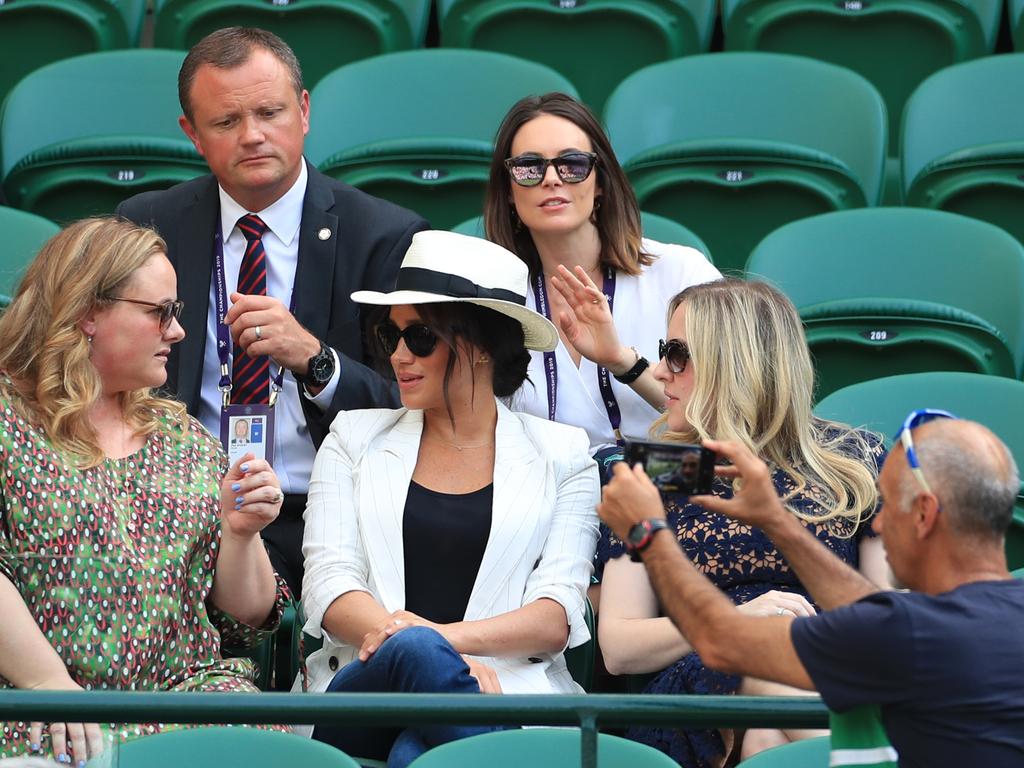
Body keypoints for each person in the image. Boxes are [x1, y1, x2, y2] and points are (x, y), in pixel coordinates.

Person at [117, 27, 430, 597]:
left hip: (331, 507)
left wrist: (316, 359)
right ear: (192, 134)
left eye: (269, 112)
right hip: (182, 506)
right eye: (226, 122)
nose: (253, 136)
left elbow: (415, 405)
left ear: (304, 111)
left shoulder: (383, 235)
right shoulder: (149, 223)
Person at [300, 230, 599, 767]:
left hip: (505, 690)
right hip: (362, 694)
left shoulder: (565, 454)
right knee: (414, 653)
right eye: (390, 337)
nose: (398, 356)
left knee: (417, 752)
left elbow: (555, 615)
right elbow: (329, 586)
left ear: (481, 344)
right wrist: (434, 654)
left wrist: (439, 654)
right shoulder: (352, 437)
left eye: (420, 338)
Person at [0, 219, 290, 764]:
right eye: (160, 312)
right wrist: (47, 686)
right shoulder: (7, 421)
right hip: (34, 707)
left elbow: (245, 621)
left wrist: (241, 534)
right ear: (87, 311)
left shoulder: (182, 437)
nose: (177, 332)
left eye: (176, 313)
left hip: (187, 703)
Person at [574, 279, 889, 766]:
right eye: (663, 351)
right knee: (766, 658)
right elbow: (619, 646)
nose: (659, 371)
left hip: (824, 675)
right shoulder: (659, 470)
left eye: (677, 354)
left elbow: (886, 610)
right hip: (698, 689)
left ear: (734, 362)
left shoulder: (850, 460)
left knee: (766, 738)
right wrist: (735, 622)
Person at [600, 412, 1024, 767]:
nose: (875, 524)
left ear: (924, 515)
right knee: (765, 738)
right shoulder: (950, 623)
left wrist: (648, 534)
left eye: (888, 506)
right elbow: (871, 609)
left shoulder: (913, 634)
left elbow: (719, 640)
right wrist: (778, 522)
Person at [483, 92, 721, 462]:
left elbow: (728, 416)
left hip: (672, 488)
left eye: (572, 164)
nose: (551, 179)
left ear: (601, 184)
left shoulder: (682, 274)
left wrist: (622, 362)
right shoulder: (491, 296)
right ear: (508, 191)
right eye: (529, 167)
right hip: (548, 499)